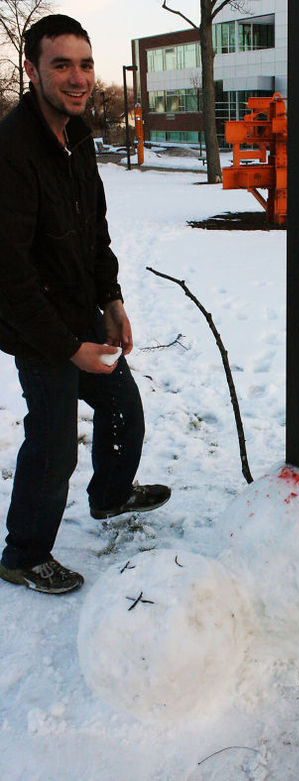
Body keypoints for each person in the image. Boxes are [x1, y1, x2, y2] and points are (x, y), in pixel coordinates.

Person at [0, 14, 170, 595]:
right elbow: (9, 275)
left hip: (80, 310)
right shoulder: (12, 151)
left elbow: (93, 229)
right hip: (34, 324)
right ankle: (23, 554)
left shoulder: (77, 140)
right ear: (32, 70)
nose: (78, 78)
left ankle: (111, 495)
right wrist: (69, 348)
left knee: (123, 405)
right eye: (61, 64)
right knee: (52, 440)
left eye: (86, 63)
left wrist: (112, 298)